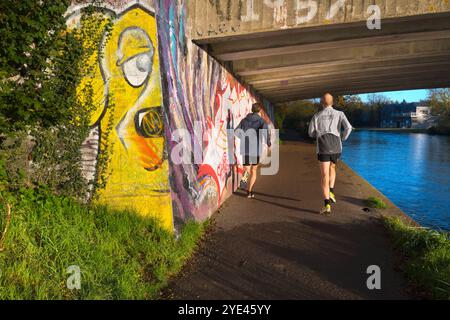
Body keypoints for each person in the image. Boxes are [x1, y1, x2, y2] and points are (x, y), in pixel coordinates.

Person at [308, 93, 353, 215]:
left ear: (322, 103)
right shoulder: (340, 114)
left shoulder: (316, 116)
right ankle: (331, 190)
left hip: (323, 147)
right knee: (333, 167)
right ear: (332, 103)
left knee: (324, 175)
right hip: (336, 147)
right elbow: (348, 128)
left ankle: (327, 205)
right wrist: (342, 138)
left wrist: (317, 134)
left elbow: (311, 133)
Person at [236, 103, 271, 199]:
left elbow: (236, 131)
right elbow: (265, 134)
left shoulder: (244, 120)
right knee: (254, 170)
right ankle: (249, 191)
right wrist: (268, 144)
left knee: (247, 169)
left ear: (252, 110)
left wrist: (243, 138)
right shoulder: (261, 121)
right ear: (259, 111)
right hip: (255, 149)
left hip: (245, 148)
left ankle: (244, 181)